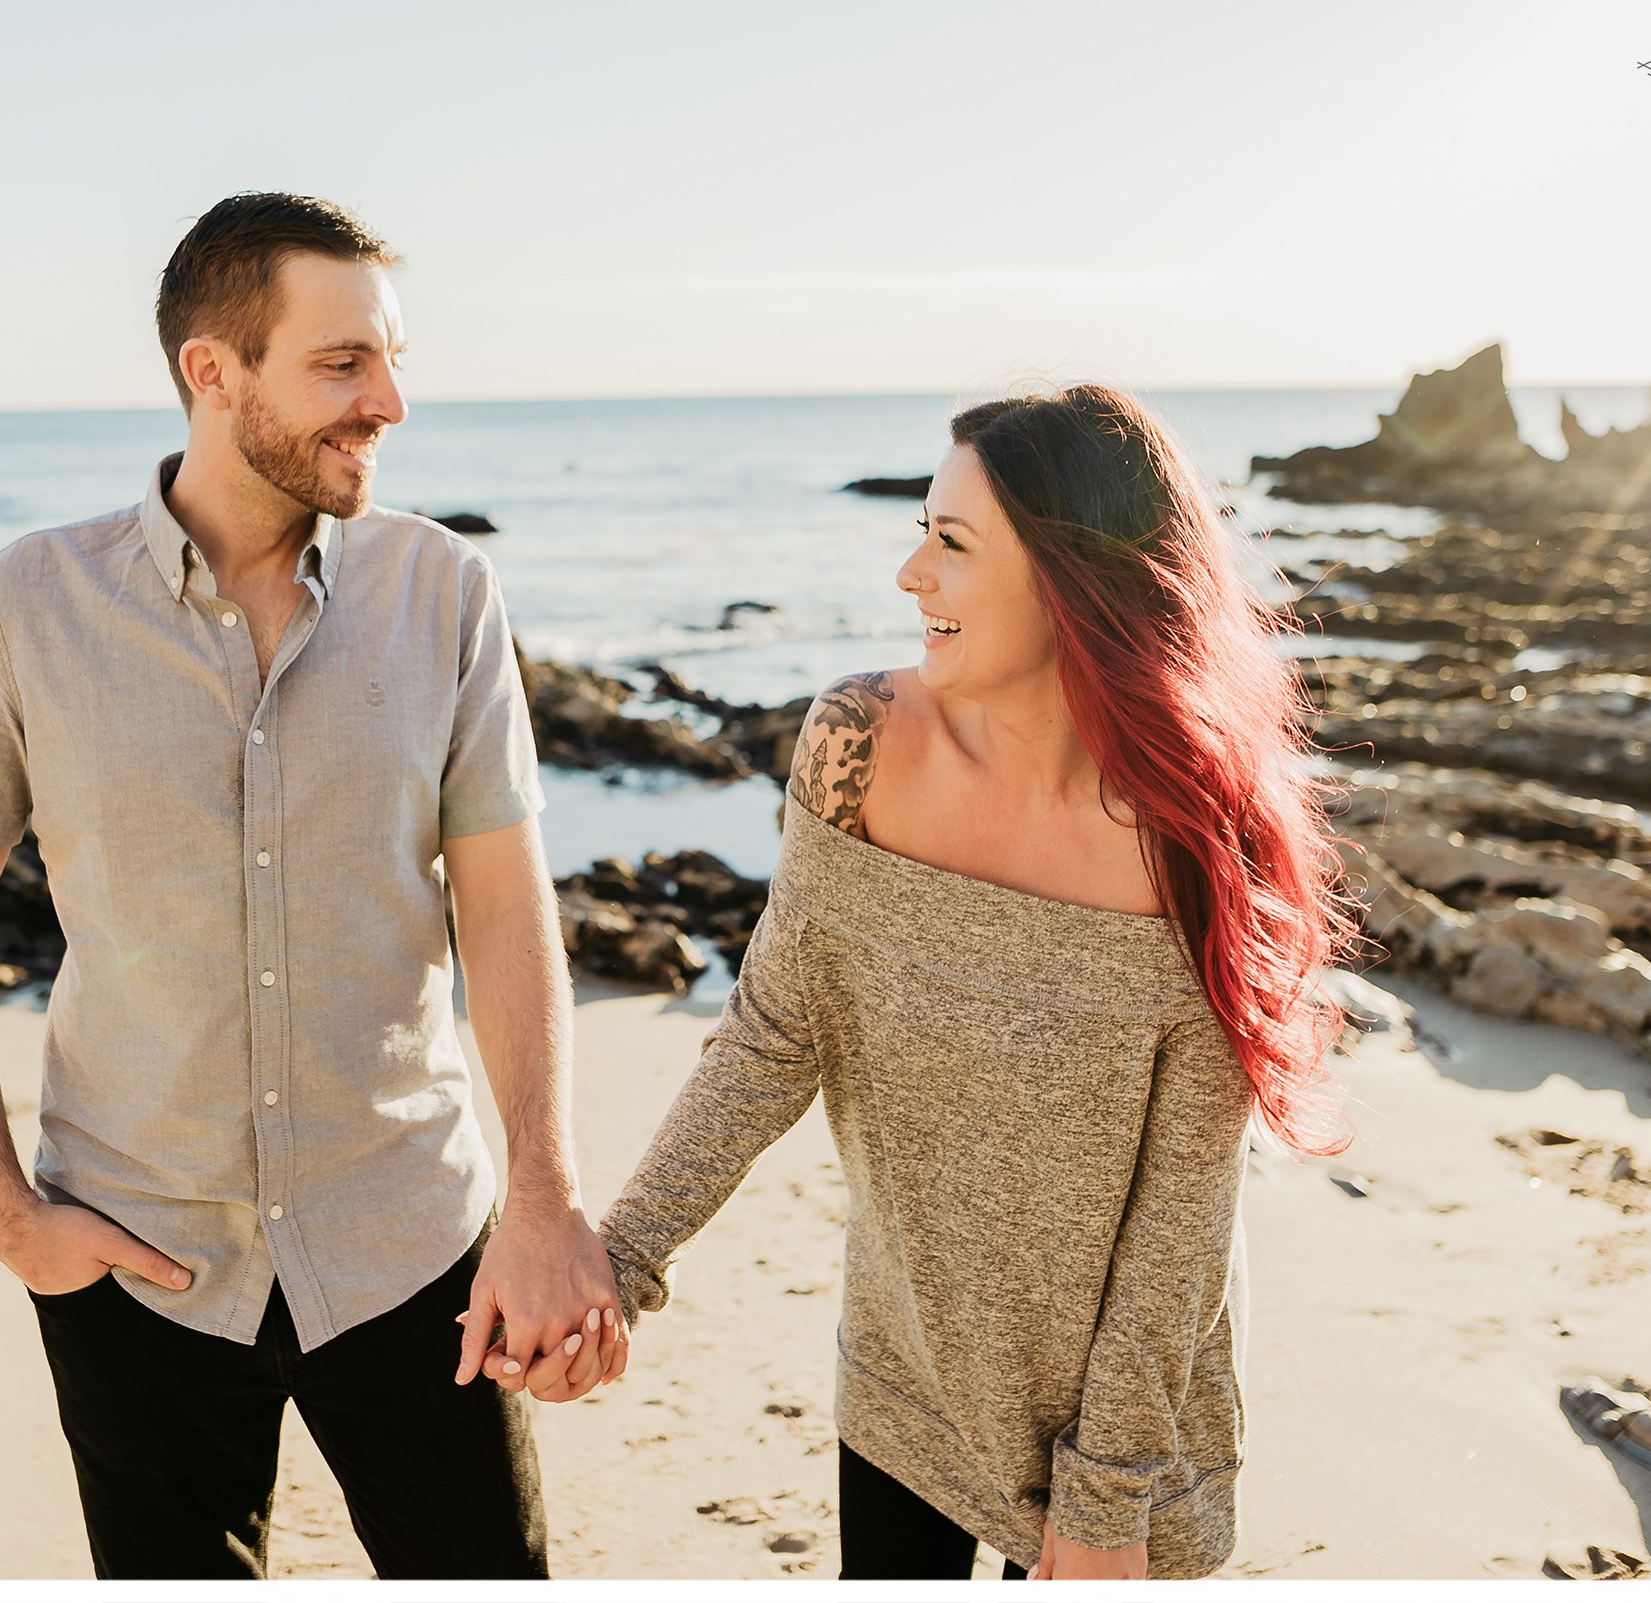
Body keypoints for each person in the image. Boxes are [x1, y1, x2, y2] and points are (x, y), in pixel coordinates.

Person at [0, 192, 626, 1581]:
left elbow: (507, 907)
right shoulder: (22, 605)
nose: (389, 400)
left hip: (416, 1246)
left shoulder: (444, 590)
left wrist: (545, 1196)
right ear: (210, 373)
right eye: (341, 364)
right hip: (137, 1261)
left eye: (392, 359)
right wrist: (0, 1209)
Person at [506, 384, 1355, 1579]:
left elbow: (1183, 1216)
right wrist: (622, 1262)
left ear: (1072, 578)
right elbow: (774, 1035)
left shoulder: (1202, 829)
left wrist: (1107, 1493)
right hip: (909, 1356)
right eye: (920, 529)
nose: (912, 575)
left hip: (1130, 1409)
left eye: (951, 544)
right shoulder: (857, 746)